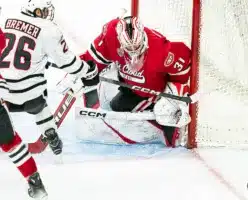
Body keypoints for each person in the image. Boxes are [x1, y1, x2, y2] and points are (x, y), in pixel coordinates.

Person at [0, 0, 99, 198]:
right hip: (29, 95)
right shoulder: (49, 29)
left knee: (8, 137)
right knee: (38, 100)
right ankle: (50, 133)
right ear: (38, 11)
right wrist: (88, 70)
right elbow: (68, 62)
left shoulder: (9, 20)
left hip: (4, 91)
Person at [77, 16, 191, 147]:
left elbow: (183, 71)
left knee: (160, 115)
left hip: (154, 95)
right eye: (128, 49)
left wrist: (174, 98)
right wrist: (81, 68)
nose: (133, 57)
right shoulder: (111, 35)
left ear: (143, 38)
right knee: (116, 106)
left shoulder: (162, 50)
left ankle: (158, 121)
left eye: (137, 48)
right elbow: (95, 57)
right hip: (129, 88)